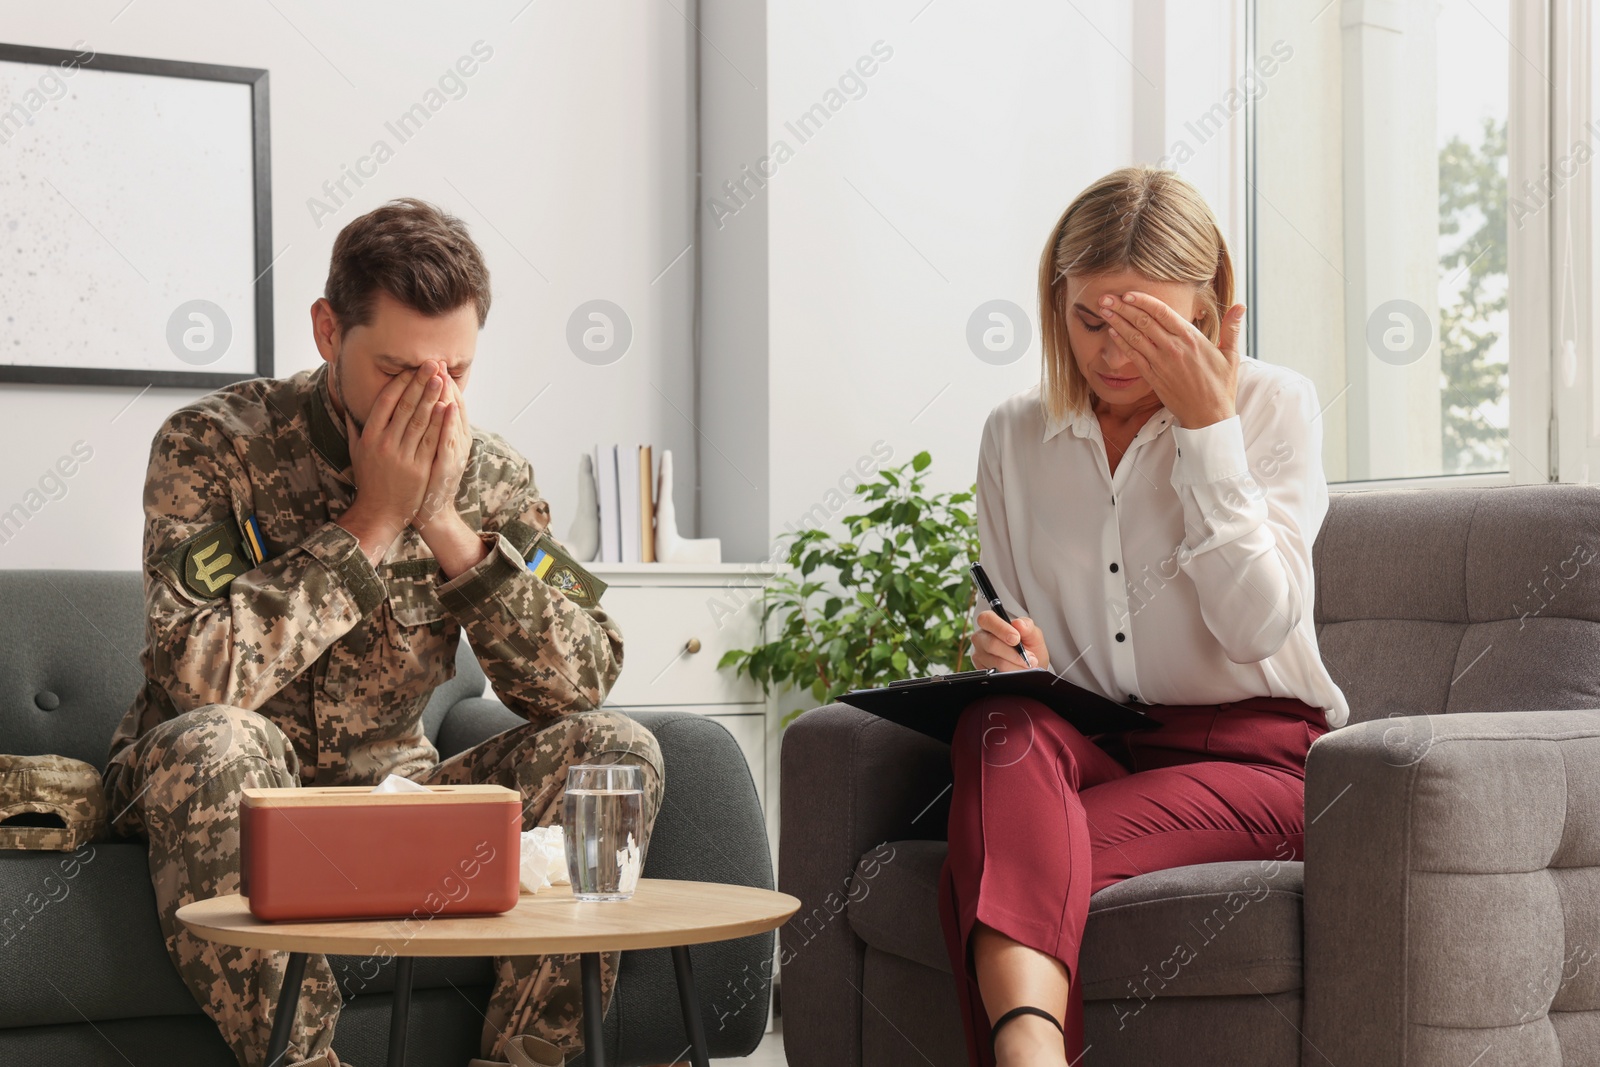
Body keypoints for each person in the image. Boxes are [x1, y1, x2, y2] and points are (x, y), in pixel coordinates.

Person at [102, 198, 663, 1067]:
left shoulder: (493, 472)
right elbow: (196, 679)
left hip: (394, 794)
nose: (434, 399)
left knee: (614, 747)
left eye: (458, 372)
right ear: (329, 331)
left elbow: (583, 678)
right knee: (220, 739)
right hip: (220, 787)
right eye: (401, 369)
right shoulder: (213, 444)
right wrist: (370, 522)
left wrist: (445, 525)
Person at [940, 166, 1350, 1067]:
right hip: (1097, 746)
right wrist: (1015, 654)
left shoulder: (1272, 405)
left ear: (1212, 314)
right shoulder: (1014, 434)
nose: (1115, 355)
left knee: (1004, 859)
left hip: (1261, 761)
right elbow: (1004, 610)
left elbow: (1255, 629)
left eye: (1152, 328)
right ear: (1058, 304)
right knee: (997, 719)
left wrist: (1210, 436)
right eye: (1093, 321)